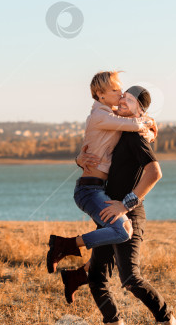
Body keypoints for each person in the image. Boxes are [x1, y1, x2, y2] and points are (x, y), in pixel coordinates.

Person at [64, 86, 176, 325]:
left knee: (131, 277)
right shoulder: (117, 130)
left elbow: (155, 172)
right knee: (97, 276)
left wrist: (126, 204)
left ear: (140, 109)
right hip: (109, 211)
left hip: (127, 214)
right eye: (122, 96)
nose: (122, 100)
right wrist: (80, 158)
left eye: (130, 99)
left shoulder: (136, 137)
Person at [46, 71, 156, 274]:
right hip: (89, 190)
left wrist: (150, 129)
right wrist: (150, 124)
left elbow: (131, 124)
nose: (121, 93)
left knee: (122, 232)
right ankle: (63, 245)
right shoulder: (100, 116)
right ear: (100, 94)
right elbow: (133, 123)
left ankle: (79, 274)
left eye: (120, 88)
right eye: (115, 89)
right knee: (122, 231)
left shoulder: (109, 114)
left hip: (97, 189)